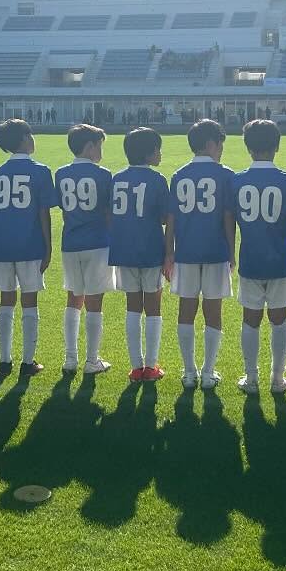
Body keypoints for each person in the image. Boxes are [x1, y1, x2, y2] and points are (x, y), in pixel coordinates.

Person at [165, 118, 235, 389]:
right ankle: (208, 371)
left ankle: (189, 371)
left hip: (186, 252)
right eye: (220, 145)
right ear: (210, 144)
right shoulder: (225, 174)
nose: (221, 150)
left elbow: (171, 218)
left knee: (186, 310)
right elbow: (228, 217)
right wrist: (231, 251)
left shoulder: (180, 174)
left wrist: (168, 251)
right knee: (213, 311)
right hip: (216, 250)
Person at [229, 119, 286, 394]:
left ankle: (251, 377)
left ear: (248, 147)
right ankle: (278, 379)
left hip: (250, 258)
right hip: (281, 258)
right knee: (279, 319)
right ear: (277, 146)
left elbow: (229, 220)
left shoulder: (237, 180)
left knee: (250, 319)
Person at [0, 119, 56, 374]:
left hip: (4, 245)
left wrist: (0, 236)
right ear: (26, 139)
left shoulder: (0, 172)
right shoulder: (40, 171)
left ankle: (5, 360)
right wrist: (48, 248)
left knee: (6, 301)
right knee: (29, 301)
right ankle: (28, 361)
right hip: (30, 244)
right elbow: (43, 213)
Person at [109, 127, 169, 381]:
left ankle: (136, 366)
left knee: (133, 306)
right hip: (150, 248)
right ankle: (151, 366)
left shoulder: (117, 179)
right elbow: (166, 217)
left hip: (124, 249)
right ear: (149, 152)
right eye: (158, 148)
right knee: (153, 307)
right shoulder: (157, 180)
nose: (160, 153)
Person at [56, 124, 115, 375]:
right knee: (94, 301)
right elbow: (108, 212)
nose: (101, 150)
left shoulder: (60, 173)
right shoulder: (103, 175)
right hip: (97, 242)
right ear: (90, 147)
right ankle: (92, 360)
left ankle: (71, 358)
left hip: (71, 242)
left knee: (73, 298)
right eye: (99, 145)